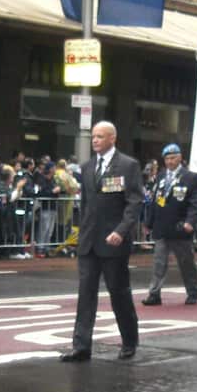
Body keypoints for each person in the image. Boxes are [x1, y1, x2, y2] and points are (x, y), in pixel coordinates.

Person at [60, 121, 143, 361]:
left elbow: (134, 202)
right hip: (89, 241)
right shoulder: (87, 167)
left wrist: (122, 230)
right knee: (85, 293)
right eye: (93, 136)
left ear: (112, 139)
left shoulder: (128, 165)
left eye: (100, 136)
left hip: (114, 241)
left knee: (118, 292)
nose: (95, 140)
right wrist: (81, 233)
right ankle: (81, 346)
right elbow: (86, 205)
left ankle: (129, 340)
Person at [141, 143, 197, 306]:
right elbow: (155, 200)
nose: (170, 161)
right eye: (167, 158)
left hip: (180, 227)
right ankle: (154, 294)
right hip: (161, 227)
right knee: (159, 262)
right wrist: (148, 222)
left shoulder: (191, 178)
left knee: (186, 262)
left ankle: (192, 292)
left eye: (173, 158)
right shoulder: (161, 176)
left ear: (180, 158)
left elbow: (194, 203)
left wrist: (190, 222)